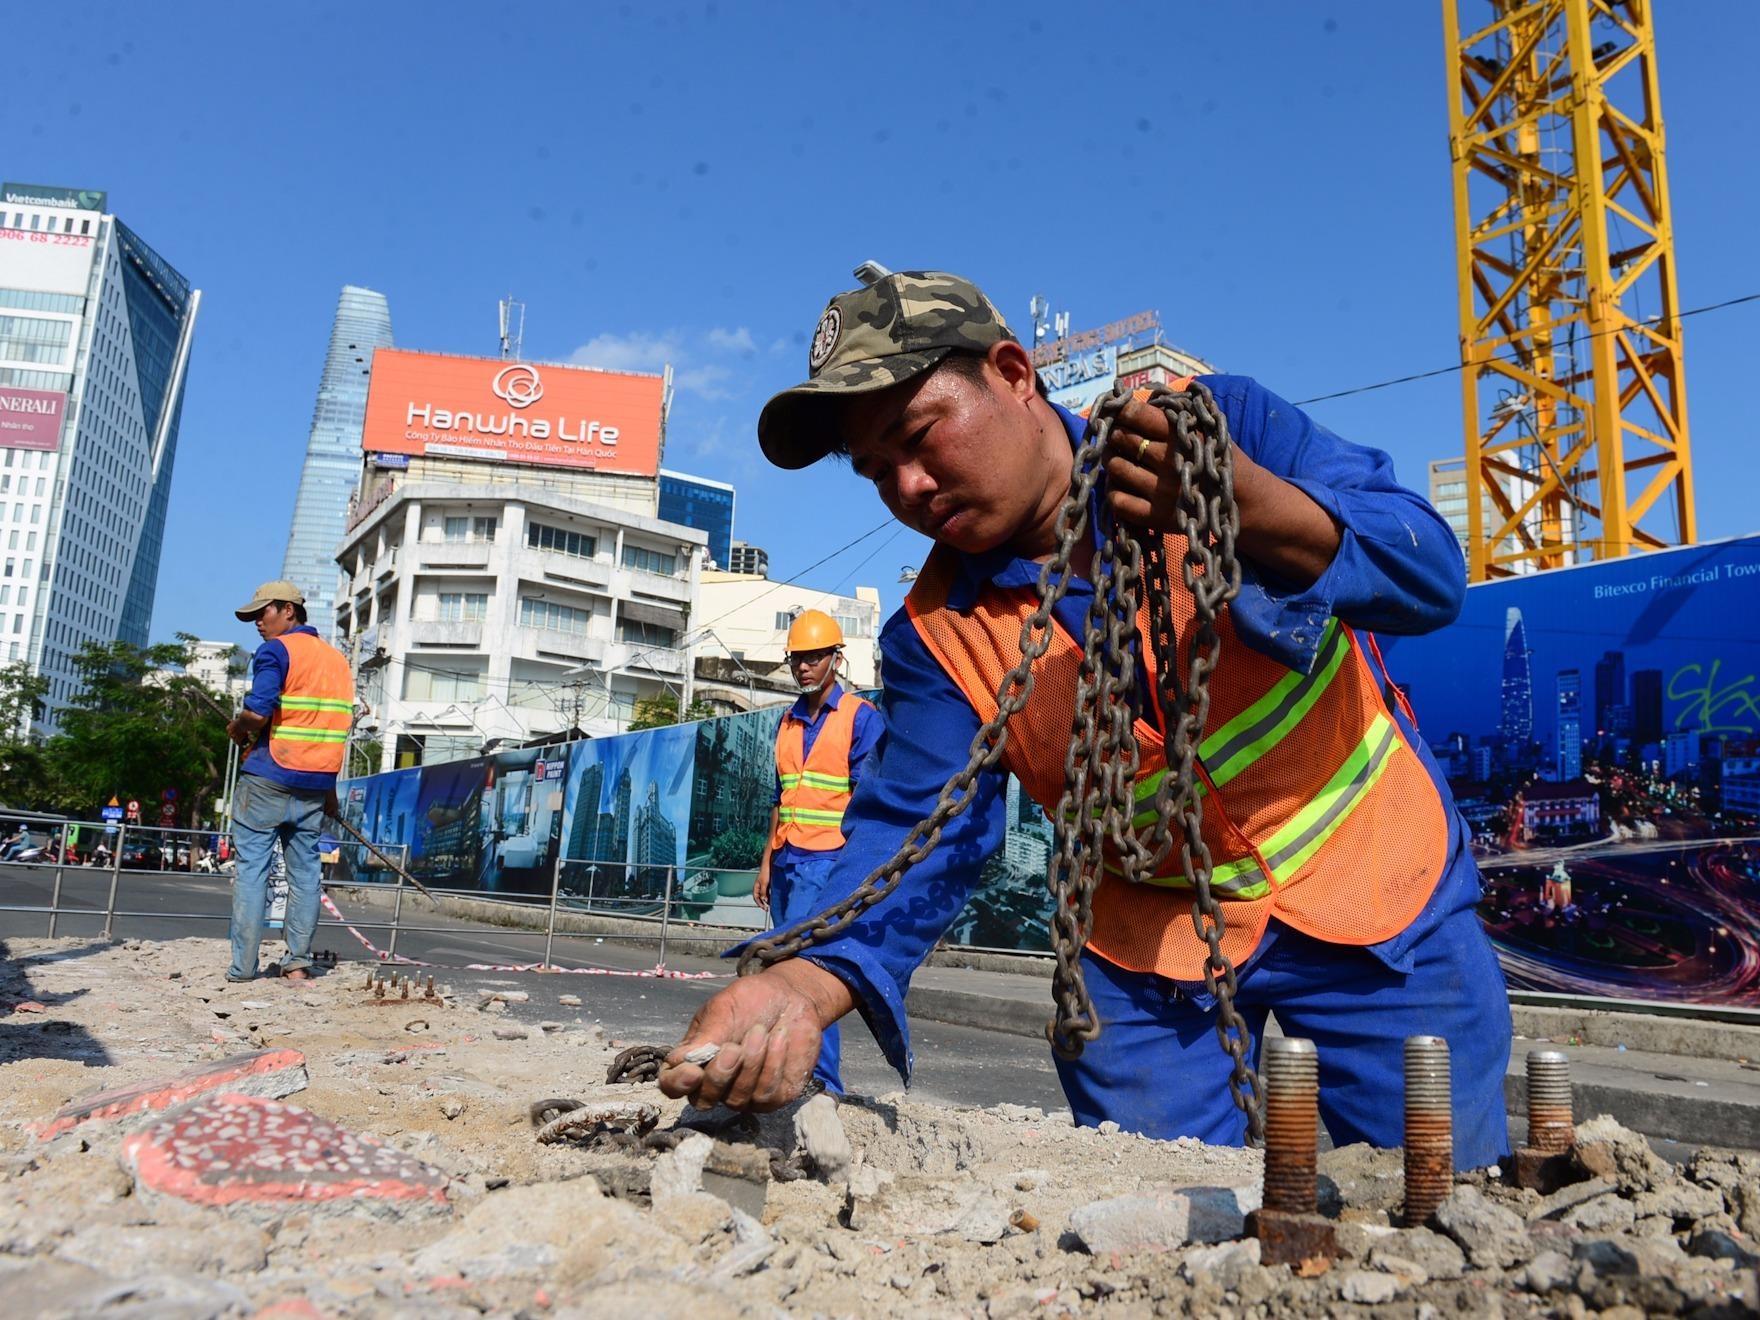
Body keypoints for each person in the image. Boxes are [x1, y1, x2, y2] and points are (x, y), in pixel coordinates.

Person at [659, 269, 1513, 1164]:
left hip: (1374, 890)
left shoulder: (1216, 432)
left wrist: (1247, 506)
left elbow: (1425, 571)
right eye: (877, 473)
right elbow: (915, 827)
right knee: (1156, 1204)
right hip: (1151, 946)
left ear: (1015, 372)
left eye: (920, 435)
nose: (908, 485)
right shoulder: (936, 637)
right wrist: (802, 978)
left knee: (1435, 1193)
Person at [750, 609, 884, 1096]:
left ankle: (822, 1080)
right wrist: (767, 861)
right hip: (787, 861)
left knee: (812, 973)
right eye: (797, 659)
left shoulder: (860, 720)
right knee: (784, 969)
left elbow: (868, 801)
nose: (804, 667)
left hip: (828, 863)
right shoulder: (787, 722)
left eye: (814, 657)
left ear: (836, 658)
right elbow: (778, 797)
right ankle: (791, 1068)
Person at [224, 580, 354, 982]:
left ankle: (243, 969)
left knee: (252, 873)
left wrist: (238, 727)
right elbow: (331, 730)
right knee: (305, 877)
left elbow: (258, 711)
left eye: (262, 614)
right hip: (314, 787)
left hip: (267, 778)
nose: (257, 624)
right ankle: (297, 962)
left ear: (287, 610)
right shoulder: (338, 662)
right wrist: (329, 790)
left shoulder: (276, 651)